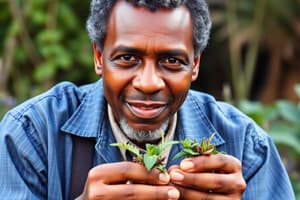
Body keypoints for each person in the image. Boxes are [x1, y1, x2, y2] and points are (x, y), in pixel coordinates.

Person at [0, 0, 295, 199]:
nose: (149, 83)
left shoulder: (246, 146)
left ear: (195, 65)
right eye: (127, 57)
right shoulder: (32, 134)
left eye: (171, 60)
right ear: (99, 57)